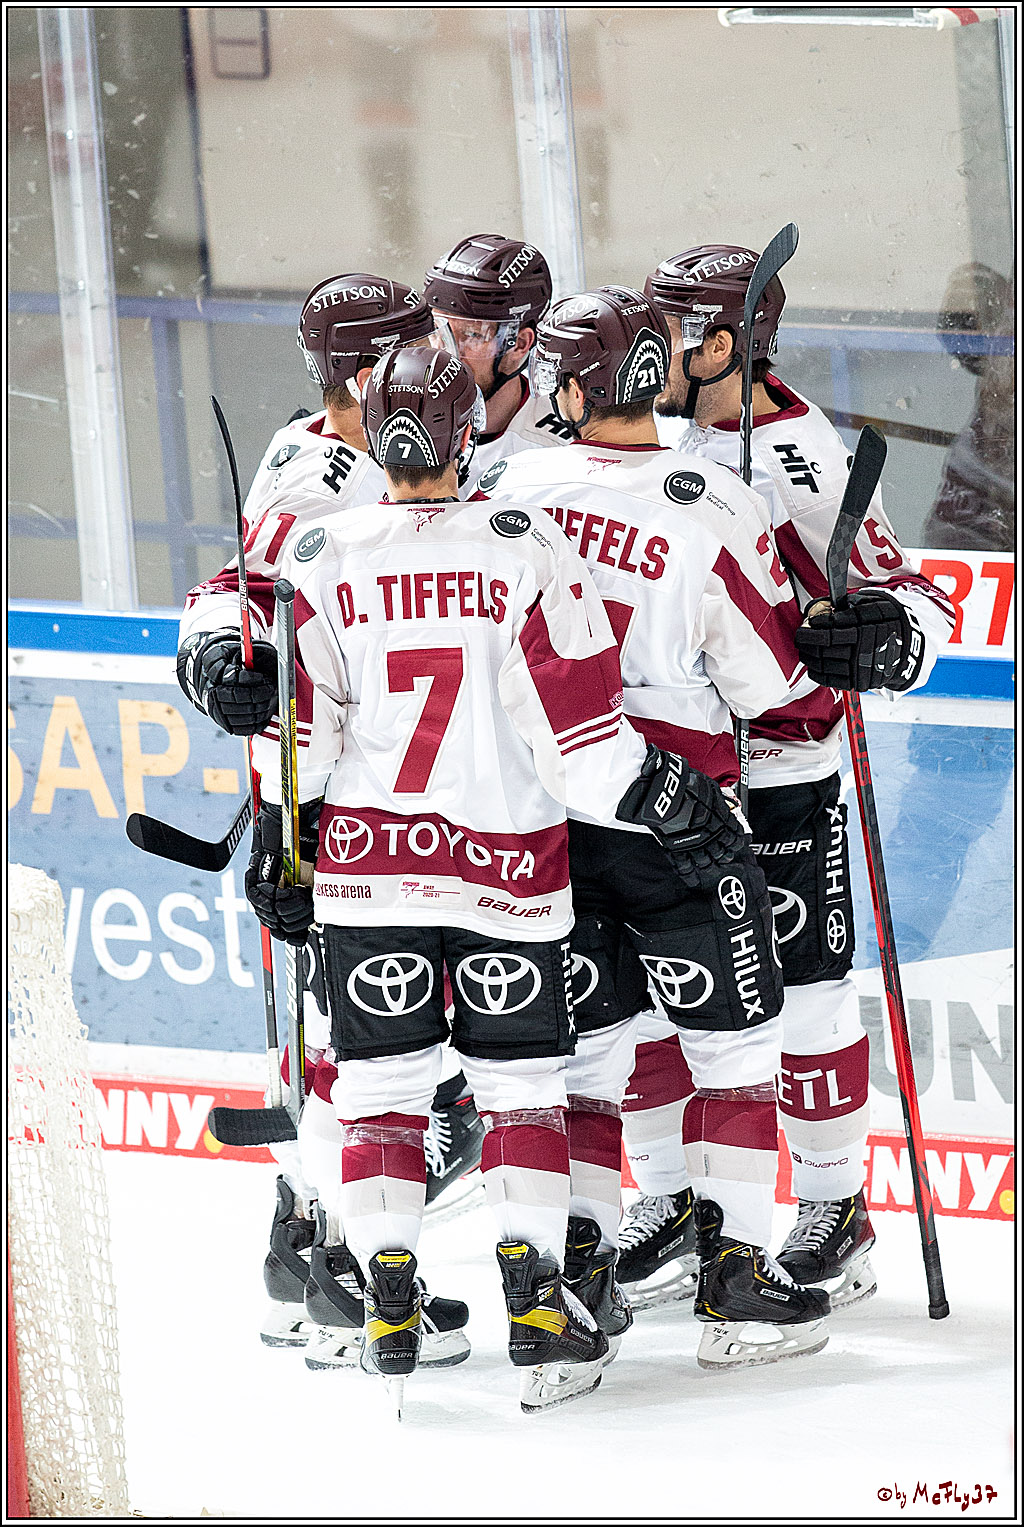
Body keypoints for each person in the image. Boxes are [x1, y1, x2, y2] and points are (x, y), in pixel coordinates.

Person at [248, 343, 666, 1412]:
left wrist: (284, 841)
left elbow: (299, 742)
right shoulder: (525, 544)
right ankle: (533, 1299)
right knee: (520, 1089)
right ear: (465, 429)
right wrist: (670, 801)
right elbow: (580, 736)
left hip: (367, 875)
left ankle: (388, 1293)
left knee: (382, 1093)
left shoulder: (319, 555)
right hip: (508, 872)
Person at [476, 285, 833, 1371]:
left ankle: (582, 1274)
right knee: (732, 1048)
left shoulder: (508, 488)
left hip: (550, 818)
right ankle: (734, 1276)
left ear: (572, 385)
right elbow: (771, 683)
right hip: (685, 820)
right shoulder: (712, 500)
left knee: (586, 1058)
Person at [631, 243, 956, 1306]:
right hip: (671, 772)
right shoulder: (647, 431)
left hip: (779, 767)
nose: (650, 348)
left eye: (671, 330)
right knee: (662, 999)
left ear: (724, 343)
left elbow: (909, 595)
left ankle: (833, 1206)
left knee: (808, 998)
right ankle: (676, 1201)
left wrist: (885, 635)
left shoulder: (801, 454)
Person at [176, 273, 479, 1360]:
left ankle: (302, 1245)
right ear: (362, 370)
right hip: (346, 803)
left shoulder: (351, 444)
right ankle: (342, 1269)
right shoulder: (317, 473)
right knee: (372, 1056)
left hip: (400, 796)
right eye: (415, 342)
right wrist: (218, 667)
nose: (440, 355)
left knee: (362, 1047)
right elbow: (240, 601)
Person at [423, 233, 574, 487]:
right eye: (439, 331)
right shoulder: (397, 430)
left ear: (520, 345)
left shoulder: (560, 451)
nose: (447, 353)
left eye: (472, 335)